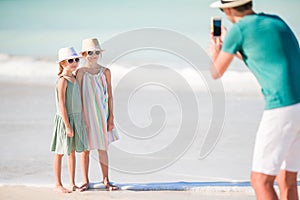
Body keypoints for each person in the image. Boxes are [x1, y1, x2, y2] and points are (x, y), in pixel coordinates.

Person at [209, 0, 300, 199]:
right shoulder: (277, 22)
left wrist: (217, 50)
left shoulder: (238, 30)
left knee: (260, 180)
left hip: (281, 107)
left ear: (229, 9)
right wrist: (233, 47)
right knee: (287, 180)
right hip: (298, 106)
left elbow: (216, 72)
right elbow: (262, 56)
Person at [76, 38, 119, 191]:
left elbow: (110, 96)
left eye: (96, 52)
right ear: (83, 54)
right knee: (85, 150)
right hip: (85, 115)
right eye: (90, 52)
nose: (93, 55)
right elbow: (78, 96)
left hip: (101, 114)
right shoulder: (80, 72)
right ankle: (85, 181)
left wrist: (111, 117)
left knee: (103, 148)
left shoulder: (105, 71)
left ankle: (106, 180)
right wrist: (79, 118)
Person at [51, 47, 89, 193]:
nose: (74, 63)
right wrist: (67, 125)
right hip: (65, 120)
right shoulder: (62, 80)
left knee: (72, 151)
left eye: (76, 60)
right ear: (62, 63)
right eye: (70, 60)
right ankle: (58, 184)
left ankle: (72, 183)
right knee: (61, 152)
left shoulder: (74, 78)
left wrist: (83, 120)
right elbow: (62, 104)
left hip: (77, 118)